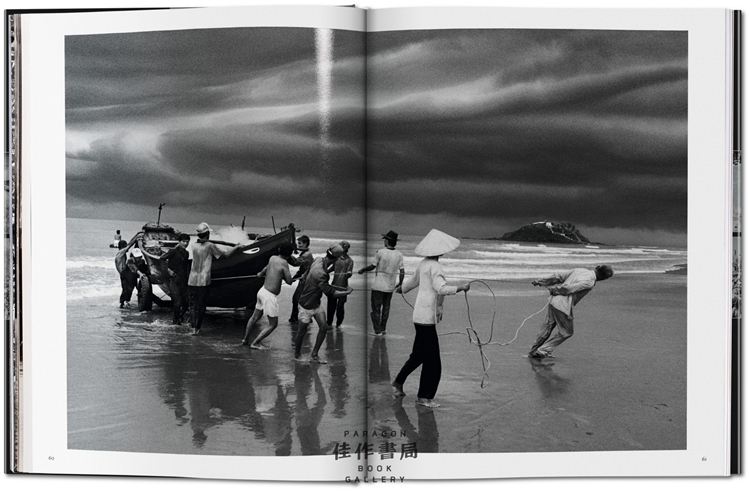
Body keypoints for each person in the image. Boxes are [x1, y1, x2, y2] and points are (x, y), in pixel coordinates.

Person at [392, 229, 470, 408]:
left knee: (419, 355)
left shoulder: (424, 263)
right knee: (433, 361)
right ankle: (424, 397)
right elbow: (441, 288)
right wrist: (461, 288)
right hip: (426, 318)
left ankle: (398, 383)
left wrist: (401, 289)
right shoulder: (435, 266)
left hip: (419, 316)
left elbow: (412, 282)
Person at [528, 265, 614, 359]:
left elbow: (558, 276)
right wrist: (556, 290)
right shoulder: (590, 282)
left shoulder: (580, 270)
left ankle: (534, 351)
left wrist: (541, 281)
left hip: (554, 301)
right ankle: (543, 350)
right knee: (566, 332)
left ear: (597, 268)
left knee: (547, 327)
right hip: (562, 305)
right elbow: (568, 289)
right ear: (604, 278)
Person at [294, 245, 353, 363]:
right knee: (301, 332)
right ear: (337, 259)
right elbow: (331, 293)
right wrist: (347, 292)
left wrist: (304, 276)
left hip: (316, 304)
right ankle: (297, 355)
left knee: (324, 327)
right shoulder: (321, 274)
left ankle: (314, 355)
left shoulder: (318, 259)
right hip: (306, 305)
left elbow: (309, 269)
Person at [188, 222, 241, 335]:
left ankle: (193, 329)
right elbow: (226, 255)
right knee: (201, 305)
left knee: (193, 305)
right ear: (207, 234)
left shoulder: (194, 245)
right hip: (203, 280)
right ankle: (197, 328)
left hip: (192, 279)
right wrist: (237, 247)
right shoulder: (210, 246)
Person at [242, 242, 295, 349]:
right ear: (290, 254)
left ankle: (245, 339)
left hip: (262, 291)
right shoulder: (284, 263)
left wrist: (260, 273)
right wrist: (294, 277)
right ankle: (255, 343)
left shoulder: (272, 258)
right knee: (273, 324)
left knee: (254, 318)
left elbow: (266, 268)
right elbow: (289, 281)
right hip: (269, 296)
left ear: (279, 250)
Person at [358, 230, 404, 335]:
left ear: (387, 241)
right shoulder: (399, 255)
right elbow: (402, 271)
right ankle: (383, 329)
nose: (384, 241)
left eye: (385, 240)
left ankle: (377, 330)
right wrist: (400, 283)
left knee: (376, 308)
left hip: (378, 285)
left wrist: (363, 270)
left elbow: (372, 266)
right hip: (390, 286)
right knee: (386, 308)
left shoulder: (380, 252)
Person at [160, 233, 191, 325]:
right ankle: (175, 322)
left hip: (184, 281)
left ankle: (180, 317)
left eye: (187, 242)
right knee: (177, 302)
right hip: (174, 280)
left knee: (186, 302)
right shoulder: (173, 251)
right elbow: (162, 259)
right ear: (179, 242)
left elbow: (186, 267)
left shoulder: (186, 253)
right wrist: (168, 270)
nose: (185, 244)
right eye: (183, 241)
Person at [326, 240, 354, 328]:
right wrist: (325, 272)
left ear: (345, 249)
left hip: (343, 287)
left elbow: (349, 272)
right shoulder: (336, 258)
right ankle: (329, 323)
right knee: (331, 306)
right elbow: (331, 268)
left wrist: (349, 274)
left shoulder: (350, 261)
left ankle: (338, 324)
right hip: (334, 285)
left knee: (340, 306)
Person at [288, 235, 313, 325]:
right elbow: (301, 269)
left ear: (305, 244)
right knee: (300, 299)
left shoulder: (306, 255)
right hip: (304, 279)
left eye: (300, 243)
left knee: (297, 299)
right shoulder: (305, 253)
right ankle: (299, 318)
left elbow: (295, 262)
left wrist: (286, 254)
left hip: (307, 281)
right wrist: (294, 278)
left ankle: (296, 319)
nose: (298, 245)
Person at [114, 237, 137, 308]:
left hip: (123, 273)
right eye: (125, 245)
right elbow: (129, 246)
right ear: (123, 246)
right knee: (127, 289)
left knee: (126, 288)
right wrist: (136, 239)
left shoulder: (119, 254)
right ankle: (123, 303)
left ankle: (124, 302)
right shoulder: (121, 252)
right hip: (124, 273)